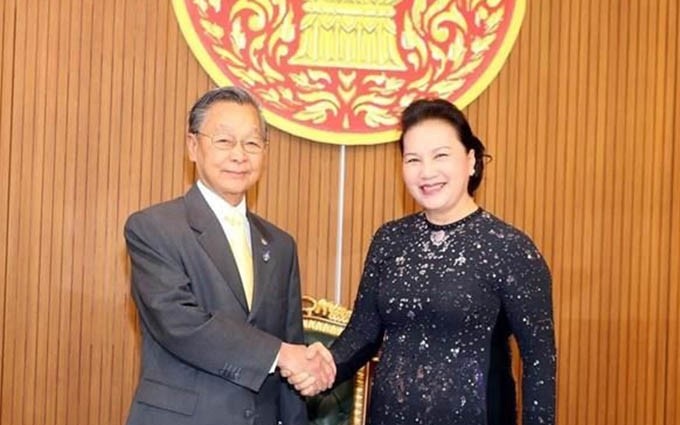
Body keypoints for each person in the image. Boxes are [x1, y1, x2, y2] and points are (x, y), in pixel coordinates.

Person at [287, 98, 556, 425]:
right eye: (413, 159)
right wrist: (326, 361)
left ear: (471, 161)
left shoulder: (511, 249)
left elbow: (539, 362)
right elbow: (363, 332)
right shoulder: (389, 239)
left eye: (440, 155)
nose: (426, 172)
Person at [124, 86, 334, 425]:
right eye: (224, 141)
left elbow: (290, 347)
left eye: (252, 143)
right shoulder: (153, 228)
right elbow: (181, 323)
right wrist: (281, 354)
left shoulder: (280, 245)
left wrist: (302, 372)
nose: (240, 155)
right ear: (193, 146)